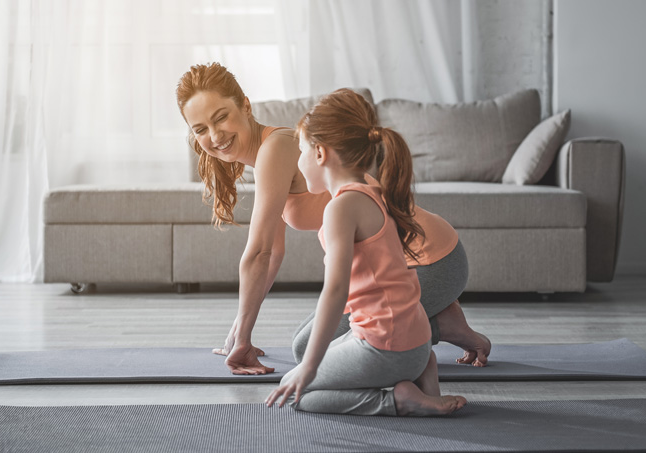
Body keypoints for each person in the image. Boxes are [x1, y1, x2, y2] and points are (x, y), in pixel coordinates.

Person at [175, 62, 488, 376]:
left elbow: (257, 253)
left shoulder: (276, 148)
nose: (215, 135)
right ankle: (435, 315)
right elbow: (272, 254)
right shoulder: (270, 155)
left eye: (221, 117)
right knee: (305, 342)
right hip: (402, 269)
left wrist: (241, 337)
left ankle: (439, 324)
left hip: (431, 261)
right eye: (200, 129)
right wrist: (238, 333)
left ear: (244, 105)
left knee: (308, 352)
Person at [265, 88, 466, 415]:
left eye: (300, 151)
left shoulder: (340, 208)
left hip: (387, 345)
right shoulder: (370, 190)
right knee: (307, 356)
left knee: (297, 394)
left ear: (319, 153)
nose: (298, 162)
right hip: (411, 337)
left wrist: (310, 368)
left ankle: (399, 399)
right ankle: (420, 373)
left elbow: (335, 290)